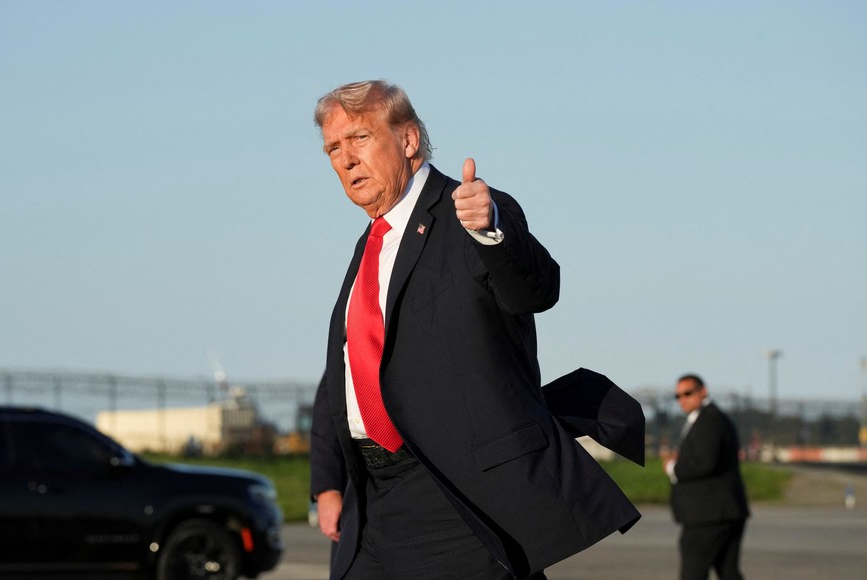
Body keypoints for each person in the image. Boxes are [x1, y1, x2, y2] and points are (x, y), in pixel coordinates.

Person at [309, 79, 643, 580]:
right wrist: (329, 479)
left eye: (359, 138)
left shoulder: (471, 213)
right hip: (375, 503)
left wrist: (491, 229)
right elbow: (351, 367)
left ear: (408, 140)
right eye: (333, 148)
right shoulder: (370, 246)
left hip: (454, 495)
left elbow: (537, 289)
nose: (345, 159)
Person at [664, 374, 750, 580]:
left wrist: (673, 467)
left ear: (703, 392)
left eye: (688, 393)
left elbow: (704, 463)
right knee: (728, 572)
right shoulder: (712, 418)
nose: (682, 399)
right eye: (678, 396)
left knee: (693, 572)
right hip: (723, 511)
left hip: (708, 515)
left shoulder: (709, 420)